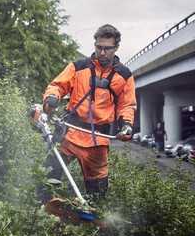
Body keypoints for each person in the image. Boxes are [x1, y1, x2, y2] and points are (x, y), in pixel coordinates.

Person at [37, 24, 137, 204]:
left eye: (107, 48)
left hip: (98, 142)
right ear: (95, 45)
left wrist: (126, 125)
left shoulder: (124, 75)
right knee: (45, 178)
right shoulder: (78, 67)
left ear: (116, 48)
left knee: (98, 195)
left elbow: (127, 105)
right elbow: (57, 85)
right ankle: (42, 211)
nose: (102, 52)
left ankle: (92, 221)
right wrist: (51, 98)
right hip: (69, 135)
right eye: (99, 47)